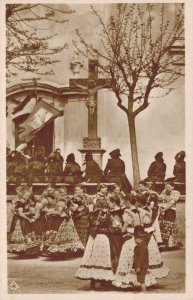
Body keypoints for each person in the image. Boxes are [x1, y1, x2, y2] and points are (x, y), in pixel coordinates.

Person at [75, 183, 114, 290]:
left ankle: (102, 279)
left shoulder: (107, 199)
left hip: (103, 227)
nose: (105, 189)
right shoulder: (96, 200)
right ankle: (95, 279)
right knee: (96, 252)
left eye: (106, 188)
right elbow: (94, 214)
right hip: (97, 229)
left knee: (104, 253)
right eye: (104, 188)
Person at [158, 182, 182, 251]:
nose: (166, 188)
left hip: (170, 211)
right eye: (166, 186)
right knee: (163, 226)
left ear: (173, 187)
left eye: (168, 186)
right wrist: (161, 209)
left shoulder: (176, 192)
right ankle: (164, 243)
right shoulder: (164, 191)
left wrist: (164, 209)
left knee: (169, 226)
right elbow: (160, 200)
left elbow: (172, 203)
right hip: (163, 210)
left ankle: (170, 244)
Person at [133, 225, 152, 292]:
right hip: (142, 266)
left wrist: (138, 267)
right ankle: (143, 292)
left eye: (136, 239)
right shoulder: (140, 245)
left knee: (142, 281)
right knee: (141, 280)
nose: (135, 240)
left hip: (142, 266)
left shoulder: (142, 247)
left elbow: (141, 258)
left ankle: (144, 293)